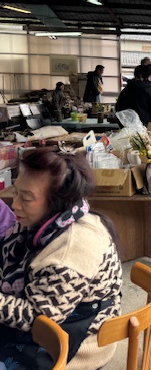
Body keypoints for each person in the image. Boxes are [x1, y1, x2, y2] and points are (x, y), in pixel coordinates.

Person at [0, 146, 122, 369]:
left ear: (57, 203)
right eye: (16, 192)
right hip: (53, 314)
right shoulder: (46, 222)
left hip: (77, 342)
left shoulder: (70, 253)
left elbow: (38, 319)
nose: (14, 204)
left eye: (26, 198)